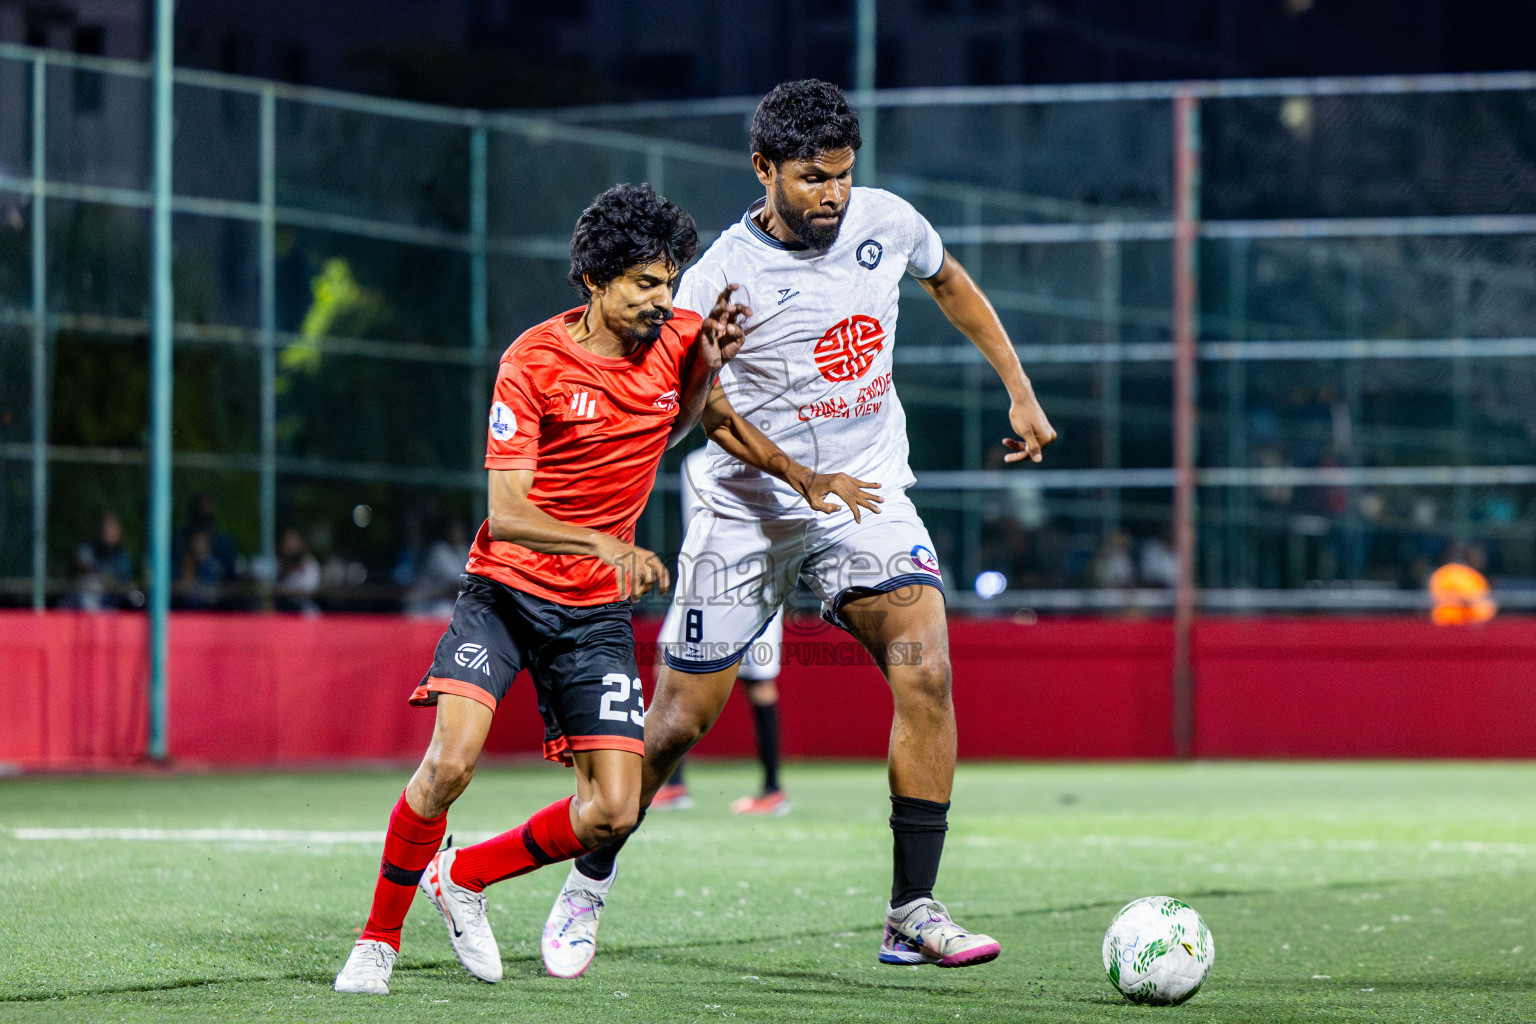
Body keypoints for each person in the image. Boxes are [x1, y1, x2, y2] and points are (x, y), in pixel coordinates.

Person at [542, 80, 1056, 979]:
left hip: (865, 494)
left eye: (844, 177)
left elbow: (951, 282)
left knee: (924, 667)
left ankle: (911, 911)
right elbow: (693, 411)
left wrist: (1019, 388)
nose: (834, 196)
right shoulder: (709, 282)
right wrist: (708, 369)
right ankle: (588, 879)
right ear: (764, 168)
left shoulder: (886, 222)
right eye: (814, 178)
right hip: (745, 511)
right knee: (676, 723)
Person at [334, 182, 876, 995]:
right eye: (646, 284)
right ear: (594, 279)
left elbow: (708, 423)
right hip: (507, 594)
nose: (665, 299)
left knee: (613, 812)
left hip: (592, 616)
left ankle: (465, 877)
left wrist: (801, 472)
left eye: (670, 281)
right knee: (449, 765)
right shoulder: (532, 361)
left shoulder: (682, 336)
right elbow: (508, 515)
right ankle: (378, 940)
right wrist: (601, 544)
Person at [651, 447, 789, 815]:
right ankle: (675, 783)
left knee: (758, 682)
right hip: (706, 583)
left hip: (757, 582)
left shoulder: (772, 456)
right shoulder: (696, 462)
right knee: (668, 666)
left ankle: (772, 789)